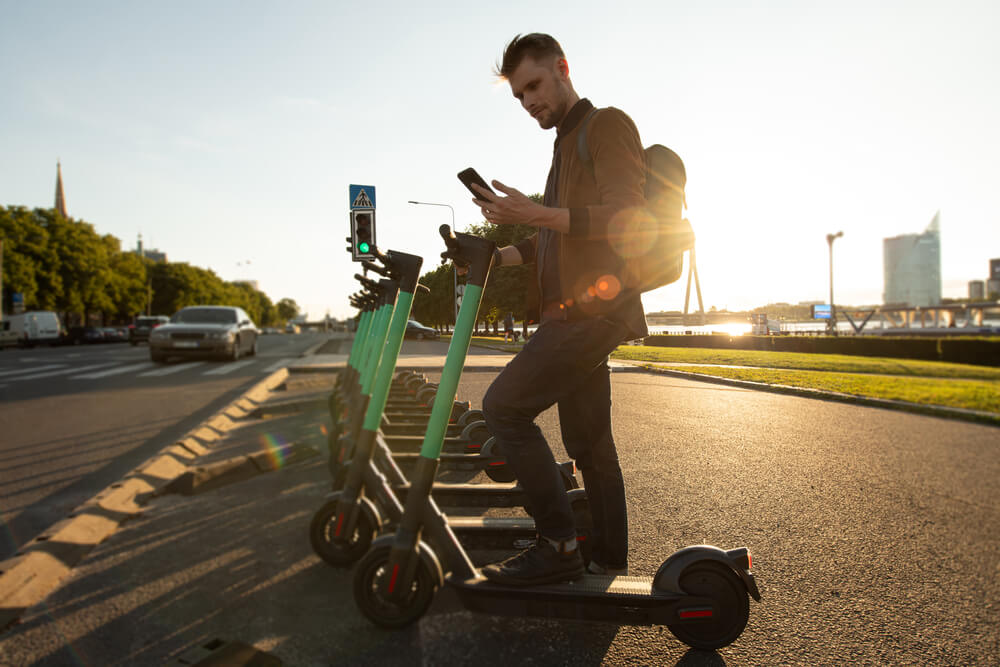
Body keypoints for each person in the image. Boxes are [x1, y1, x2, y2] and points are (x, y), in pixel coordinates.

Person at [469, 33, 648, 586]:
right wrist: (496, 253)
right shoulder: (564, 145)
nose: (529, 103)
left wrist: (538, 213)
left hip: (592, 311)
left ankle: (559, 543)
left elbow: (625, 215)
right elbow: (556, 238)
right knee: (590, 446)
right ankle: (609, 558)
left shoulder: (606, 125)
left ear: (563, 68)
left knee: (504, 407)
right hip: (574, 313)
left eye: (534, 86)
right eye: (520, 96)